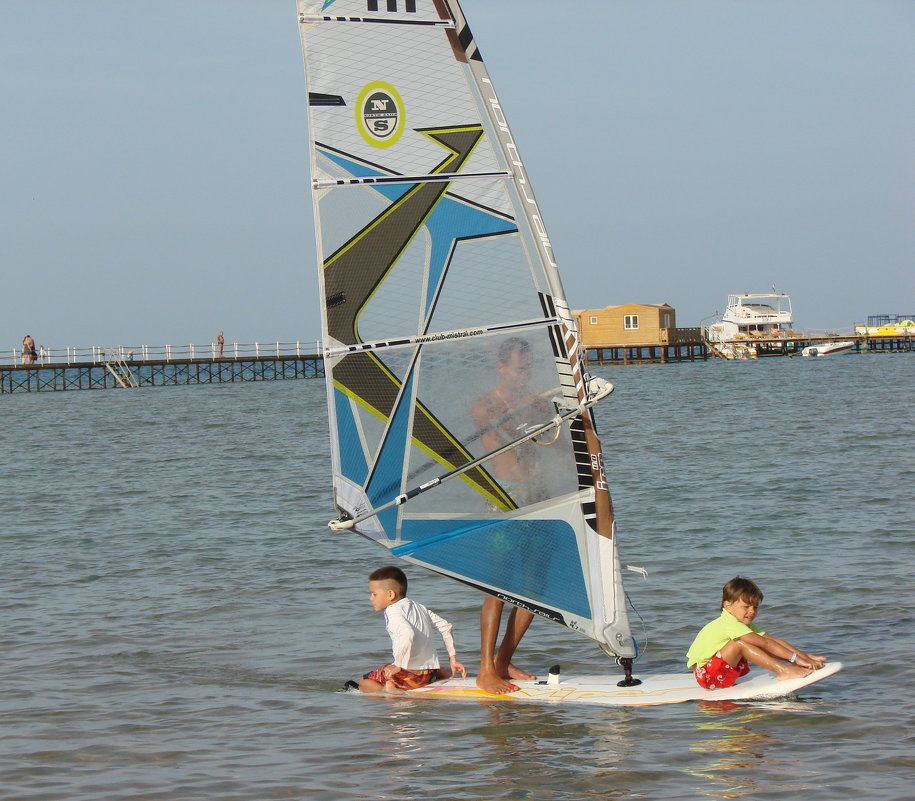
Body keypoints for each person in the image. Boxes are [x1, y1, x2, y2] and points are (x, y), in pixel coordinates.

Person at [470, 337, 552, 694]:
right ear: (502, 368)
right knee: (499, 587)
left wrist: (551, 409)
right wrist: (526, 412)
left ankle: (504, 661)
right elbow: (505, 435)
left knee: (534, 589)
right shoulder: (484, 406)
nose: (525, 375)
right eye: (520, 369)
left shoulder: (537, 402)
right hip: (504, 499)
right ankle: (485, 669)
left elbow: (557, 442)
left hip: (539, 497)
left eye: (529, 369)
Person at [686, 576, 827, 689]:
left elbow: (772, 641)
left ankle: (790, 667)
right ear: (728, 606)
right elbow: (765, 643)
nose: (752, 611)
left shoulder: (741, 624)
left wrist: (803, 657)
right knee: (740, 644)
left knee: (760, 642)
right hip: (706, 676)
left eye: (755, 607)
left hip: (719, 672)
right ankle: (782, 670)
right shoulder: (729, 623)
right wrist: (794, 658)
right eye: (746, 606)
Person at [359, 565, 466, 694]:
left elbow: (408, 633)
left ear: (390, 594)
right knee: (441, 670)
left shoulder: (392, 610)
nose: (371, 598)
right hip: (429, 674)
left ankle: (388, 689)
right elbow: (446, 626)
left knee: (364, 682)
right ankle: (444, 674)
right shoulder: (419, 607)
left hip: (409, 676)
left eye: (374, 594)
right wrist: (453, 659)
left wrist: (398, 664)